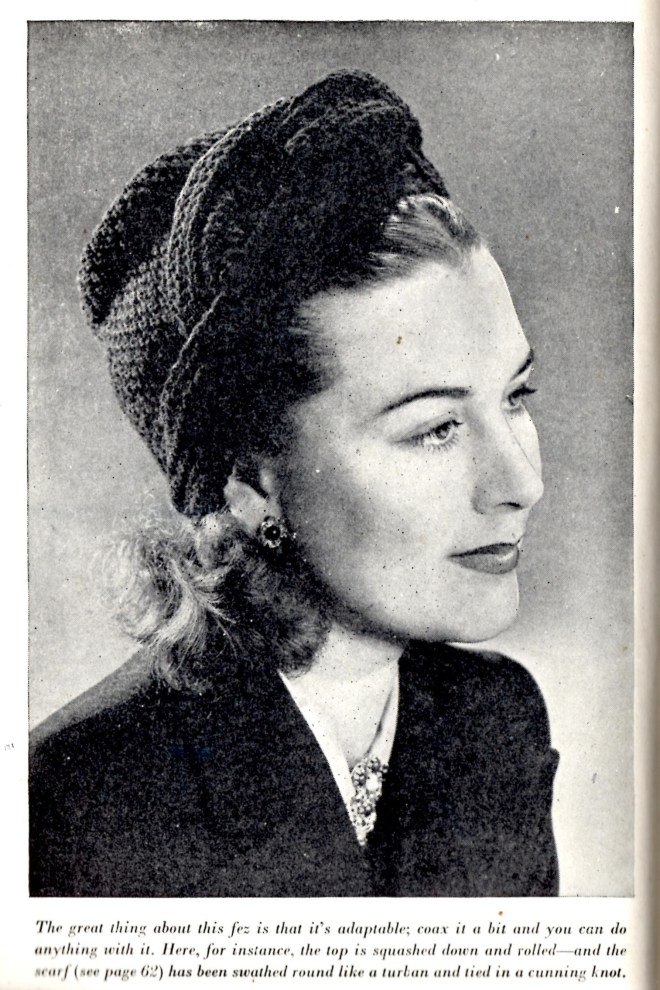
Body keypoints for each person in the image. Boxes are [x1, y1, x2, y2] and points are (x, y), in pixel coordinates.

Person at [29, 70, 559, 897]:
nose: (521, 483)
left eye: (515, 397)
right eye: (436, 428)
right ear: (250, 484)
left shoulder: (496, 722)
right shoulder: (82, 800)